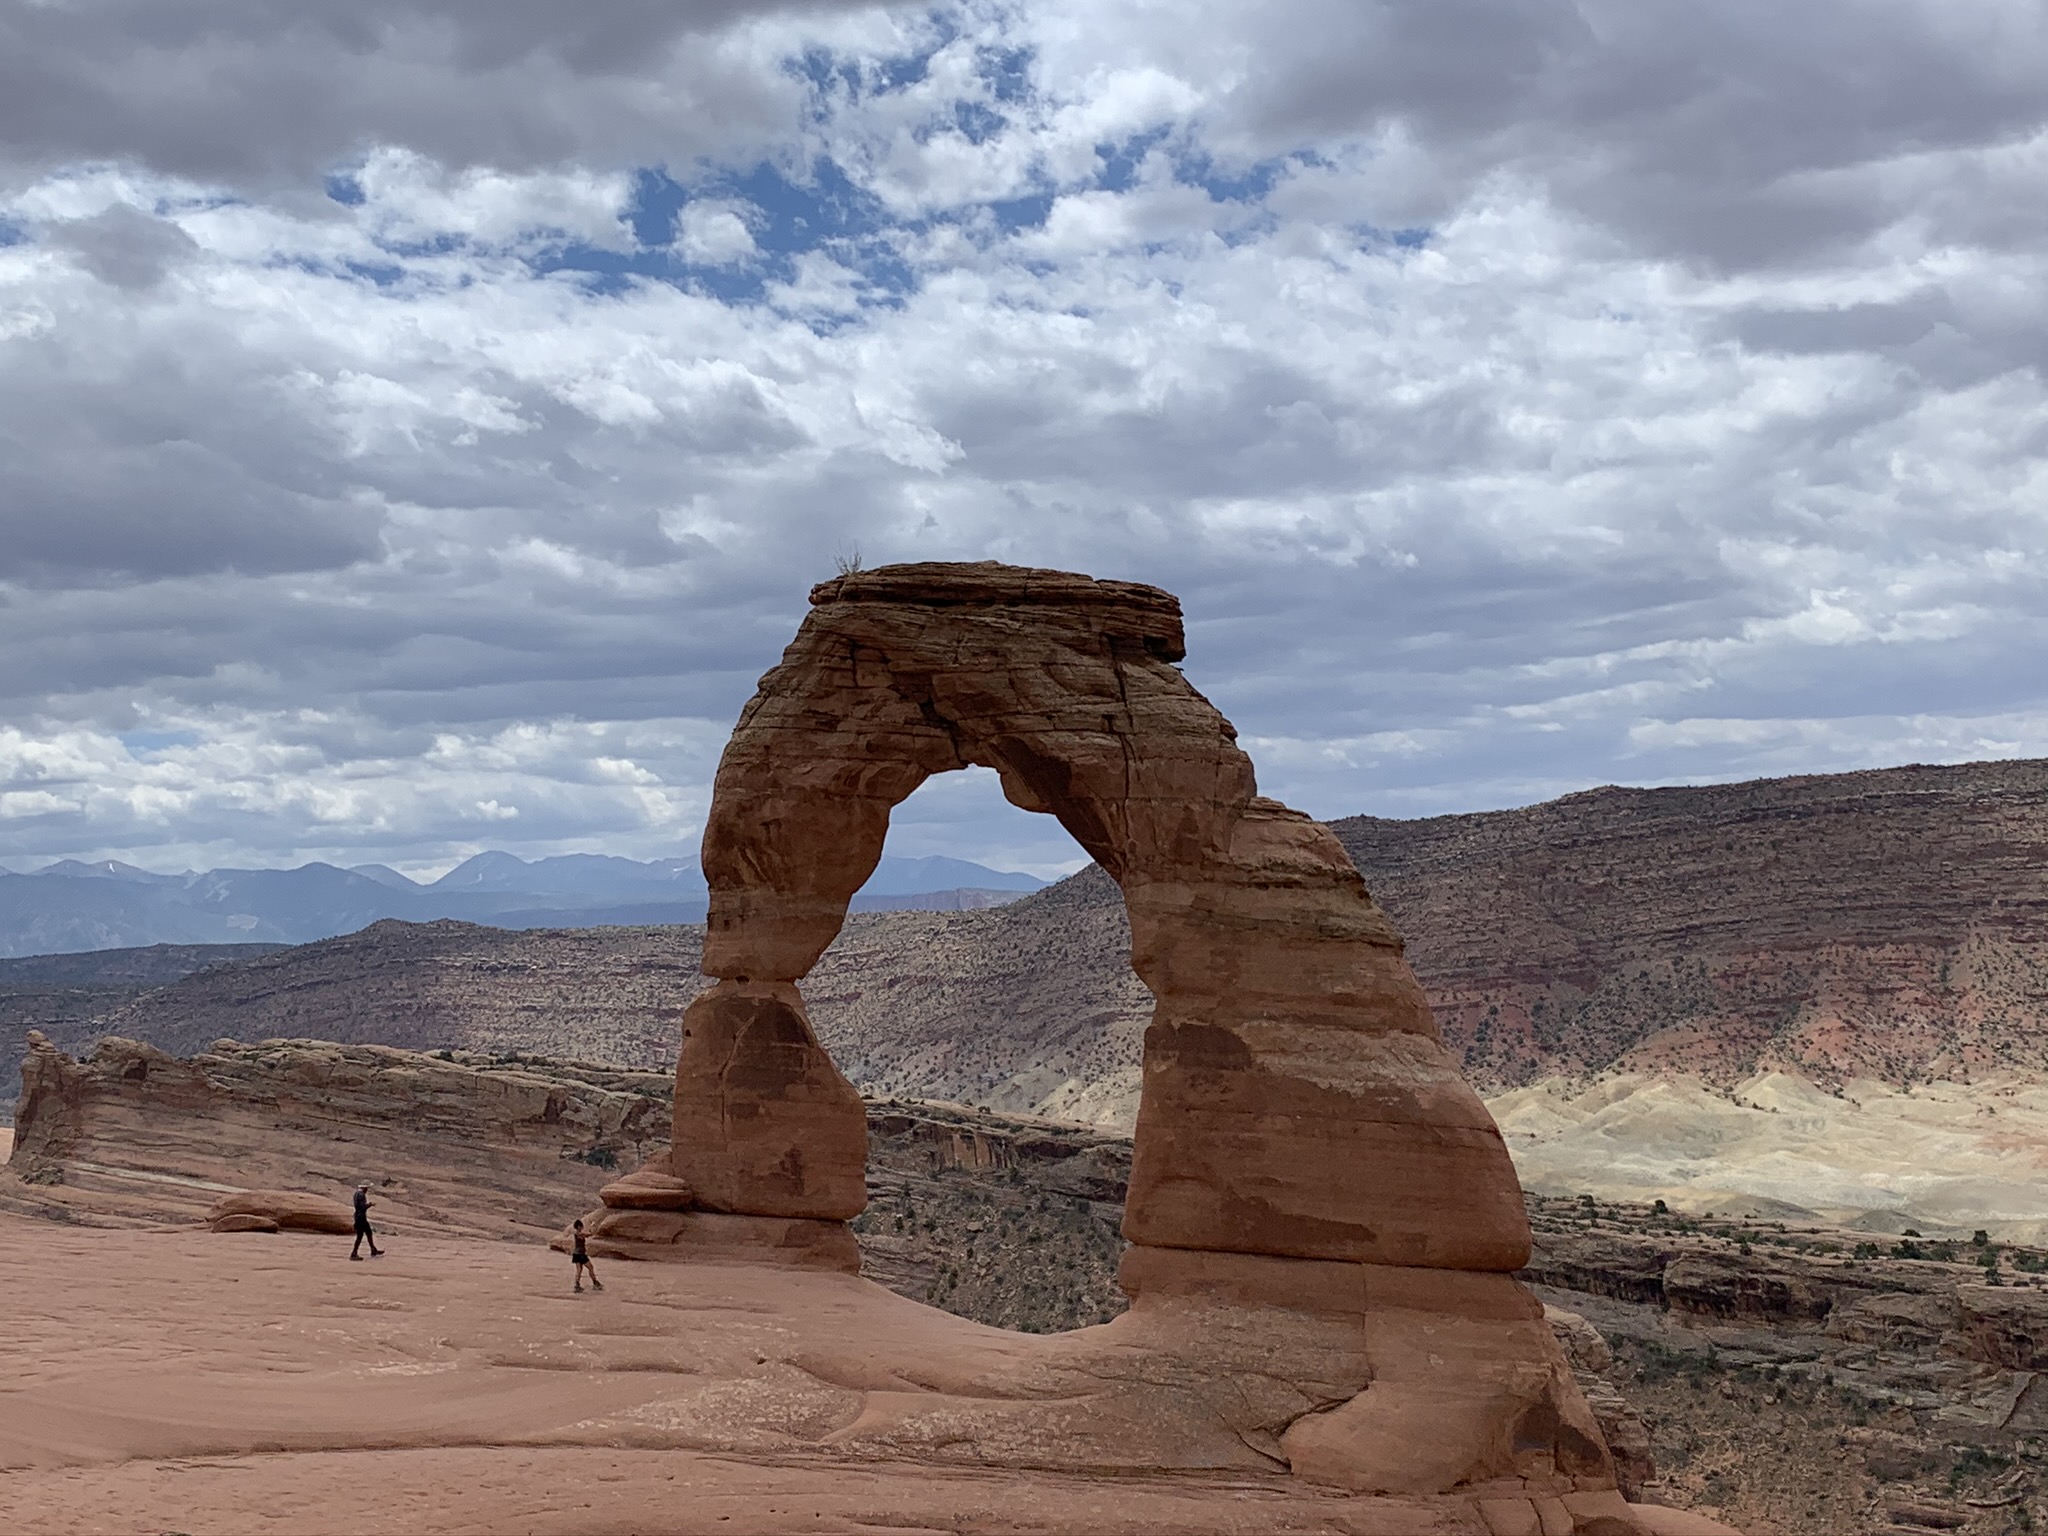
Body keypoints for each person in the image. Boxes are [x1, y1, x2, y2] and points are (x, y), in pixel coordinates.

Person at [350, 1183, 384, 1260]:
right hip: (361, 1218)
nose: (367, 1190)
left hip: (359, 1217)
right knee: (360, 1235)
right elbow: (362, 1207)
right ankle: (354, 1253)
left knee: (368, 1232)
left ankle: (373, 1249)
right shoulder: (361, 1195)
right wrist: (370, 1204)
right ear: (364, 1188)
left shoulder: (356, 1194)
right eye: (366, 1188)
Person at [571, 1218, 603, 1293]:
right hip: (580, 1254)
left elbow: (587, 1235)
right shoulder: (578, 1233)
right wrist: (592, 1228)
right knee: (590, 1267)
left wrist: (590, 1231)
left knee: (579, 1270)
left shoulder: (577, 1233)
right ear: (578, 1226)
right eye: (581, 1226)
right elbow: (587, 1235)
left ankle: (577, 1285)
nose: (582, 1227)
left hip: (577, 1254)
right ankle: (595, 1283)